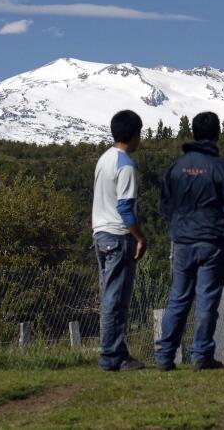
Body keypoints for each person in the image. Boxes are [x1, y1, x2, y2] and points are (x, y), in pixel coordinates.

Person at [155, 112, 224, 371]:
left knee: (178, 298)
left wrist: (176, 227)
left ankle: (164, 356)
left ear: (192, 134)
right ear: (218, 134)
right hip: (212, 241)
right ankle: (201, 355)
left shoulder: (177, 166)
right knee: (207, 298)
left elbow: (164, 202)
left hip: (183, 241)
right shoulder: (219, 168)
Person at [92, 109, 147, 372]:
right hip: (118, 234)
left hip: (100, 233)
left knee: (109, 296)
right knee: (116, 299)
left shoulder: (104, 159)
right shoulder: (125, 164)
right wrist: (139, 237)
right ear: (136, 134)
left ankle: (117, 351)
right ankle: (111, 356)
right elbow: (125, 207)